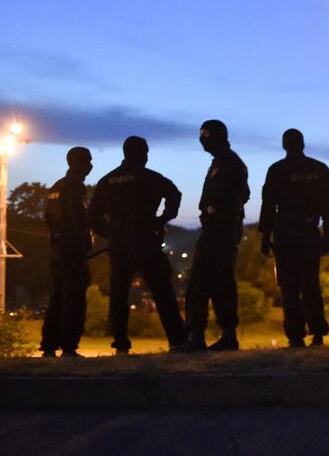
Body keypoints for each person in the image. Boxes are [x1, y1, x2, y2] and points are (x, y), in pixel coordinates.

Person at [88, 136, 186, 354]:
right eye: (146, 152)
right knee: (162, 290)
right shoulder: (150, 177)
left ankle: (120, 343)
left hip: (119, 243)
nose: (147, 156)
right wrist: (162, 219)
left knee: (119, 294)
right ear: (141, 153)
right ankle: (178, 340)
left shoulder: (107, 181)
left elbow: (92, 215)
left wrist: (110, 233)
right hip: (146, 240)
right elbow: (174, 194)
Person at [173, 120, 250, 352]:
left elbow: (240, 194)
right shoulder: (222, 161)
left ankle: (205, 335)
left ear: (217, 136)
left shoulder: (229, 162)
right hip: (219, 228)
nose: (202, 140)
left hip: (221, 229)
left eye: (205, 135)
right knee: (210, 281)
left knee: (209, 281)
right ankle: (213, 334)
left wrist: (216, 211)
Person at [259, 129, 329, 348]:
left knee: (289, 287)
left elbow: (268, 205)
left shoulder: (277, 170)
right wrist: (327, 235)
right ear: (303, 144)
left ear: (284, 145)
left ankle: (295, 336)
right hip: (309, 233)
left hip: (285, 235)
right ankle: (317, 332)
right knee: (311, 284)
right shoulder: (319, 169)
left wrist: (265, 236)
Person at [41, 147, 93, 358]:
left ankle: (49, 345)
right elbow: (77, 217)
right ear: (78, 163)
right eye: (88, 161)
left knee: (57, 296)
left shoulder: (57, 186)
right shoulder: (75, 187)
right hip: (72, 249)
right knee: (75, 297)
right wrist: (82, 241)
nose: (91, 166)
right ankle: (69, 346)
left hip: (57, 248)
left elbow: (48, 217)